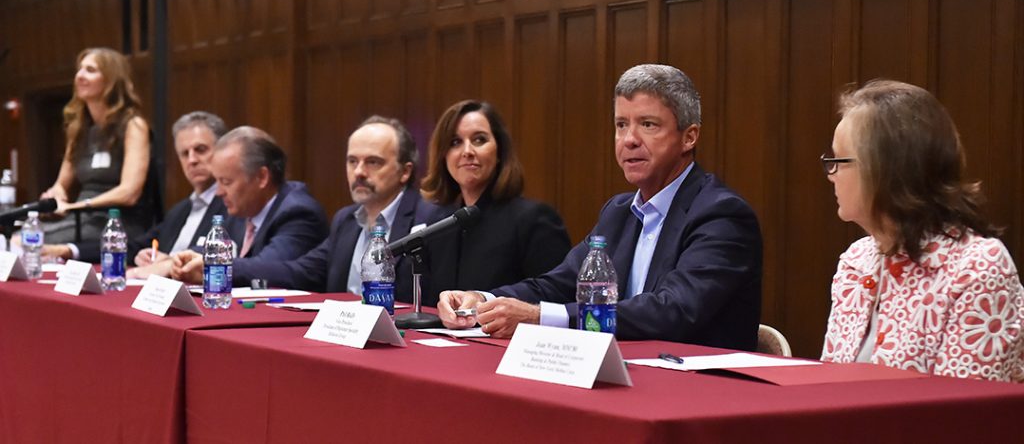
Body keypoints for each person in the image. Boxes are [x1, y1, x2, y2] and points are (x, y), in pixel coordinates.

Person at [437, 64, 763, 349]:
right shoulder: (619, 212)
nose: (629, 140)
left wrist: (541, 317)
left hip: (702, 394)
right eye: (621, 125)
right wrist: (484, 300)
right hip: (627, 375)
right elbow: (560, 283)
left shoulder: (721, 214)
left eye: (647, 125)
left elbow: (672, 310)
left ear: (689, 137)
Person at [819, 80, 1023, 382]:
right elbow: (827, 390)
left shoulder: (978, 268)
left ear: (887, 169)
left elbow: (962, 414)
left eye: (838, 161)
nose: (831, 176)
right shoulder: (856, 261)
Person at [230, 116, 438, 302]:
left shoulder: (429, 218)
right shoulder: (346, 220)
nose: (359, 172)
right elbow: (302, 272)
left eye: (373, 162)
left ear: (405, 171)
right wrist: (225, 266)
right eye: (352, 161)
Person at [418, 100, 572, 307]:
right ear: (443, 157)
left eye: (479, 140)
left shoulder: (535, 219)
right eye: (455, 142)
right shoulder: (439, 224)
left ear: (500, 152)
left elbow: (557, 295)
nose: (467, 151)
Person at [44, 111, 228, 273]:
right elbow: (133, 247)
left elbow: (227, 253)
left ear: (221, 150)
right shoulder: (180, 211)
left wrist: (170, 262)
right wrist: (68, 250)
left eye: (200, 150)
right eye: (184, 153)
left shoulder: (232, 206)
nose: (192, 160)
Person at [170, 126, 329, 285]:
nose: (218, 192)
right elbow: (212, 248)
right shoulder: (244, 208)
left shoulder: (298, 212)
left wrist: (213, 263)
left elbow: (267, 269)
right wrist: (186, 258)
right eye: (217, 181)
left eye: (226, 182)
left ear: (261, 177)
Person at [39, 47, 155, 245]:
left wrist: (77, 207)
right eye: (80, 69)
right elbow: (61, 183)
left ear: (111, 80)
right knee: (21, 236)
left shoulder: (133, 126)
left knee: (27, 241)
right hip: (82, 219)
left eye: (90, 70)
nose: (80, 75)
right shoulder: (78, 129)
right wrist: (56, 193)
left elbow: (129, 193)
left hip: (118, 222)